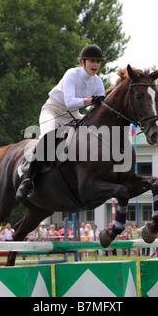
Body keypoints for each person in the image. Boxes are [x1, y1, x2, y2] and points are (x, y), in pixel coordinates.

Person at [15, 44, 106, 201]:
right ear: (83, 62)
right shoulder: (72, 74)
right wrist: (91, 100)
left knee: (94, 132)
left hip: (73, 115)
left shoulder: (98, 82)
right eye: (92, 61)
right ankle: (28, 180)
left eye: (98, 61)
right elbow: (70, 102)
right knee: (48, 137)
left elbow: (100, 108)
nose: (96, 65)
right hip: (53, 111)